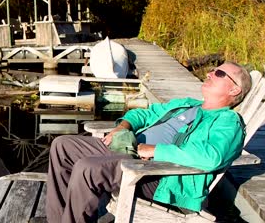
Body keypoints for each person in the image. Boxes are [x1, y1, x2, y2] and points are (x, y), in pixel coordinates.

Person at [45, 62, 252, 223]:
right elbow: (146, 114)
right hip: (129, 147)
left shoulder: (228, 121)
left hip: (157, 173)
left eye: (219, 73)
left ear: (234, 90)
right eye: (213, 70)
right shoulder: (187, 104)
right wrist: (123, 126)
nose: (210, 73)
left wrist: (155, 151)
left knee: (87, 168)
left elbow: (211, 156)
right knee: (62, 146)